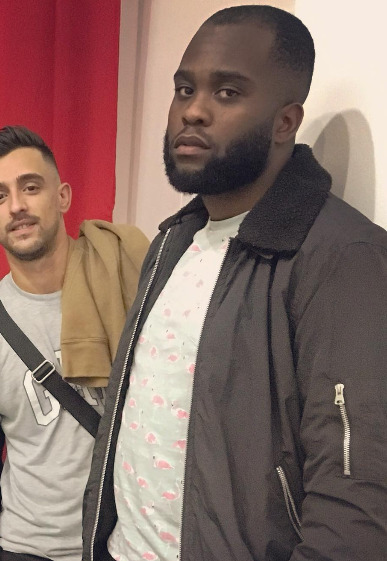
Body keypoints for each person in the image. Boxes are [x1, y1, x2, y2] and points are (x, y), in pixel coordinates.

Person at [82, 6, 387, 561]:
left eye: (227, 93)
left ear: (285, 122)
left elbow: (356, 501)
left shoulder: (344, 256)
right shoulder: (172, 241)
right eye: (184, 89)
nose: (193, 111)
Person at [0, 126, 137, 561]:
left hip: (129, 541)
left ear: (62, 196)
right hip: (30, 548)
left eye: (30, 187)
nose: (17, 206)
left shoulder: (128, 281)